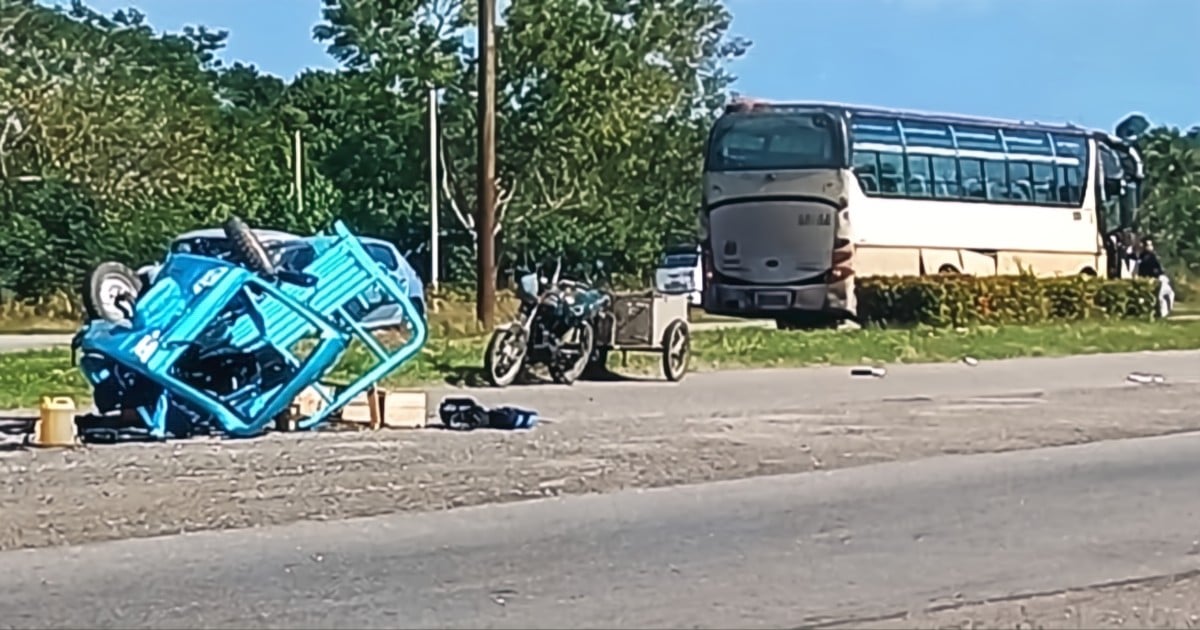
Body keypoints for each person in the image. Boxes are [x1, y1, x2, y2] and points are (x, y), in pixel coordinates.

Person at [1136, 238, 1174, 318]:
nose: (1150, 247)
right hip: (1153, 279)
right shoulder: (1149, 257)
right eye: (1148, 245)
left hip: (1150, 279)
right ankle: (1162, 312)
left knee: (1165, 294)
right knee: (1162, 296)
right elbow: (1155, 269)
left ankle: (1162, 312)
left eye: (1151, 245)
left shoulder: (1143, 256)